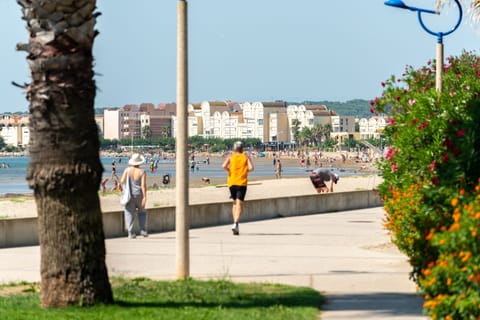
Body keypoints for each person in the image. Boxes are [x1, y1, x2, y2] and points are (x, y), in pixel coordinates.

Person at [222, 141, 254, 235]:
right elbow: (251, 168)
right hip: (242, 182)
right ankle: (236, 223)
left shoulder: (230, 157)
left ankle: (235, 224)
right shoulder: (245, 157)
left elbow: (223, 166)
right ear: (242, 148)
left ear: (234, 148)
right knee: (239, 203)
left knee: (235, 203)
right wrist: (244, 171)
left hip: (232, 182)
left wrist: (230, 171)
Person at [120, 153, 148, 239]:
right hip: (139, 194)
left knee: (129, 213)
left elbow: (122, 181)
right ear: (140, 162)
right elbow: (143, 185)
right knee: (142, 212)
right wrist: (145, 197)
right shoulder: (142, 172)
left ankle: (130, 232)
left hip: (129, 195)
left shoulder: (127, 170)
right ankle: (142, 230)